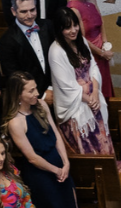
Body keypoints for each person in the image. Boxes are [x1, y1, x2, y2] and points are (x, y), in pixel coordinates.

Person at [2, 73, 79, 208]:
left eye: (36, 88)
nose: (37, 93)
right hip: (41, 174)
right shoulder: (15, 123)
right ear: (18, 94)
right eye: (31, 91)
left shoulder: (41, 105)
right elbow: (32, 157)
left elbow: (56, 134)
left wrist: (65, 162)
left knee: (71, 206)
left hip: (59, 165)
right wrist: (56, 170)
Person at [45, 9, 114, 166]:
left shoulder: (81, 41)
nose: (73, 30)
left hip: (92, 98)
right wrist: (89, 100)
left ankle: (107, 169)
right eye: (68, 27)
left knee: (102, 137)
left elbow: (93, 67)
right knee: (89, 146)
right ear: (59, 29)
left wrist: (95, 93)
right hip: (75, 105)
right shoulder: (56, 51)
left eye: (75, 25)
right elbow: (66, 86)